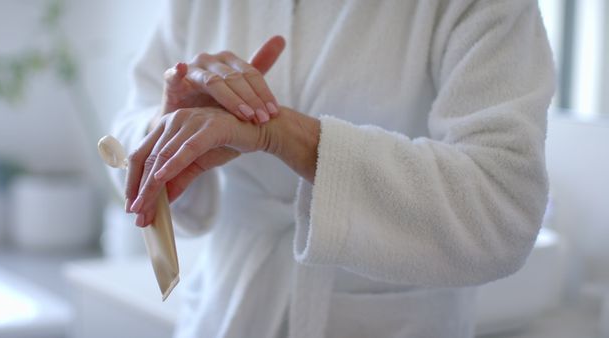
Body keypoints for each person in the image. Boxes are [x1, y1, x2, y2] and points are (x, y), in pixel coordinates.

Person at [109, 0, 555, 337]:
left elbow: (502, 205)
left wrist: (289, 137)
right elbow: (119, 140)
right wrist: (169, 128)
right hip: (225, 309)